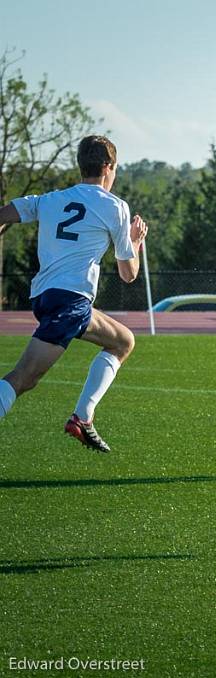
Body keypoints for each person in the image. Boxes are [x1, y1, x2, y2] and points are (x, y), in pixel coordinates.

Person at [0, 135, 148, 451]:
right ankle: (81, 418)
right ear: (108, 167)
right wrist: (134, 244)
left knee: (123, 341)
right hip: (70, 302)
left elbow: (5, 214)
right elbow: (128, 274)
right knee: (24, 377)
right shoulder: (115, 207)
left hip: (47, 298)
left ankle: (82, 418)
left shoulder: (50, 199)